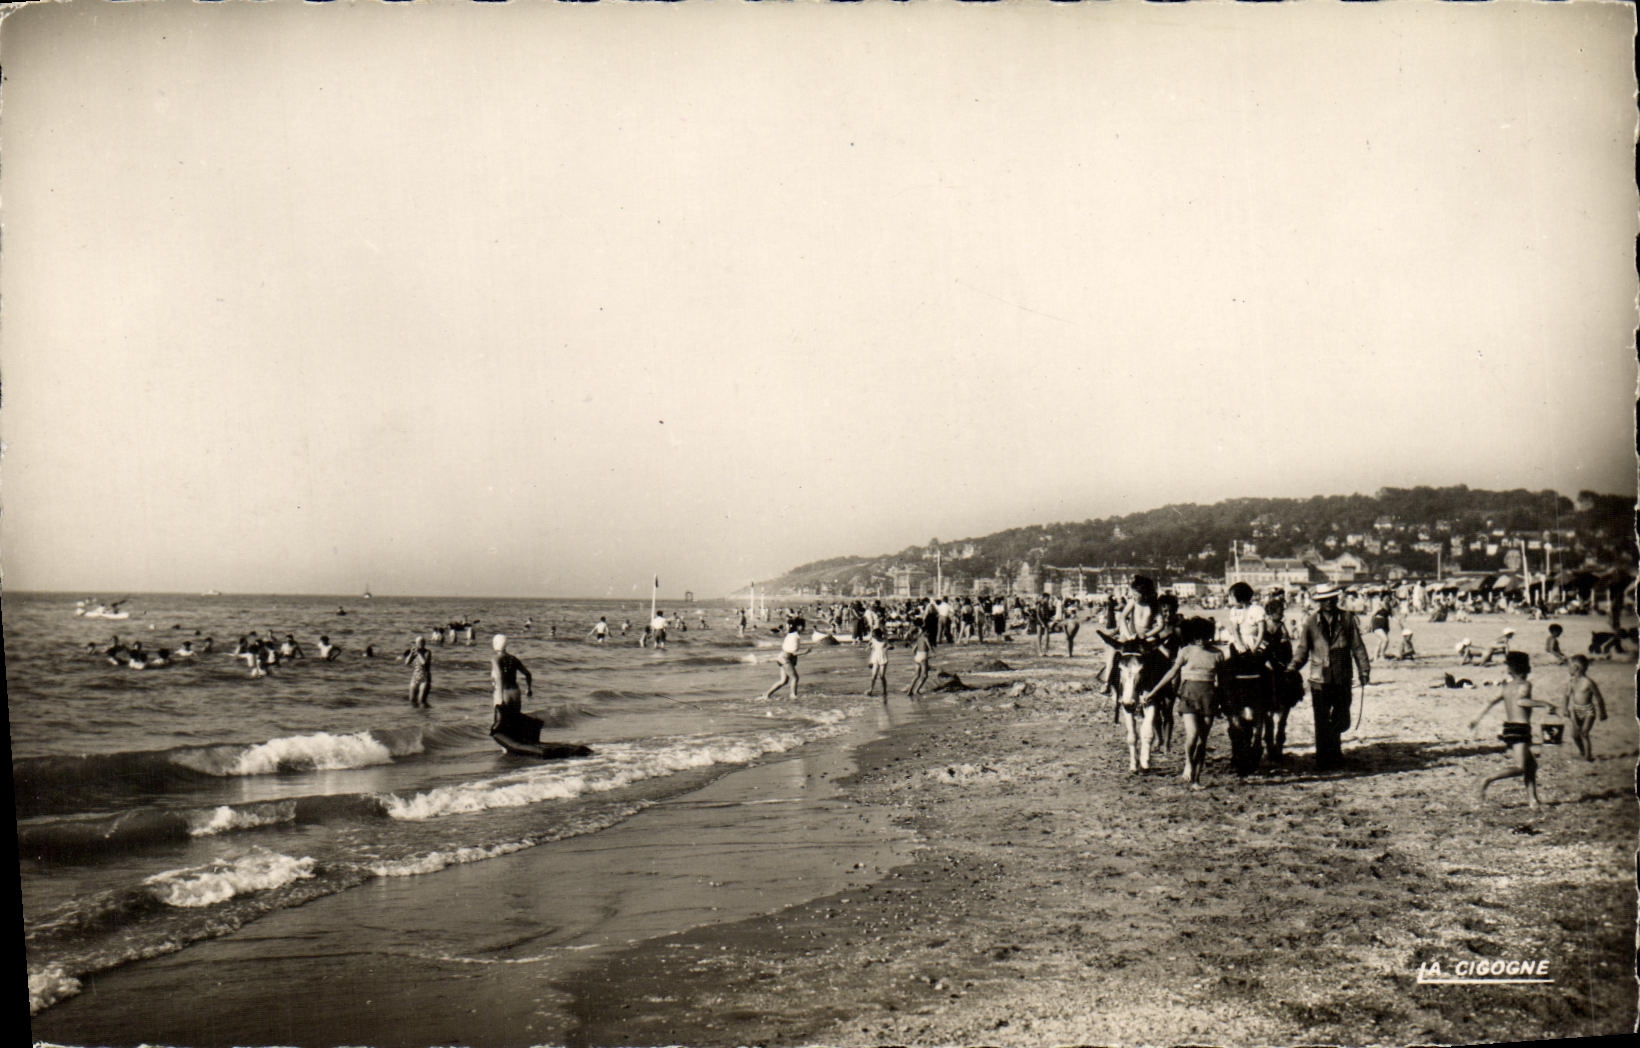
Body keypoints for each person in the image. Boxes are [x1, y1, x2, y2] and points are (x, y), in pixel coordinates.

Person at [1287, 582, 1370, 771]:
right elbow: (1303, 649)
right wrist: (1293, 666)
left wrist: (1364, 670)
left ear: (1336, 599)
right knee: (1322, 720)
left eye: (1331, 599)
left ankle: (1333, 748)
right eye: (1324, 600)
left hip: (1342, 676)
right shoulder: (1310, 622)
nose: (1329, 603)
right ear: (1319, 602)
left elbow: (1357, 646)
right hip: (1319, 679)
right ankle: (1325, 758)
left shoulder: (1347, 619)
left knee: (1342, 718)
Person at [1144, 616, 1223, 789]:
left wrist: (1224, 703)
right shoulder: (1186, 651)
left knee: (1203, 740)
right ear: (1192, 636)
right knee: (1193, 734)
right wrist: (1153, 691)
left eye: (1204, 637)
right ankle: (1188, 761)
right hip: (1188, 696)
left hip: (1209, 698)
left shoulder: (1218, 654)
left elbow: (1223, 682)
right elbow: (1171, 673)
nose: (1201, 640)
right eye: (1197, 637)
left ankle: (1196, 779)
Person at [1470, 651, 1554, 806]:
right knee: (1520, 767)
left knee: (1531, 765)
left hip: (1509, 728)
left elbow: (1490, 702)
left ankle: (1532, 799)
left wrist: (1476, 719)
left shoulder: (1506, 687)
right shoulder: (1525, 685)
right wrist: (1544, 704)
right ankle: (1488, 779)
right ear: (1526, 668)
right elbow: (1522, 702)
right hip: (1520, 728)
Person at [1560, 655, 1608, 762]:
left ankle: (1588, 756)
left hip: (1588, 711)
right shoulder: (1571, 682)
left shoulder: (1588, 682)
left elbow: (1598, 697)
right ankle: (1582, 751)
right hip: (1575, 710)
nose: (1568, 669)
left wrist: (1602, 712)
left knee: (1584, 733)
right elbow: (1566, 696)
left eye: (1569, 667)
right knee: (1574, 735)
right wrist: (1565, 708)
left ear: (1576, 668)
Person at [489, 634, 533, 730]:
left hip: (504, 693)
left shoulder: (495, 659)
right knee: (514, 723)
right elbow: (528, 674)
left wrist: (500, 697)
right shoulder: (513, 659)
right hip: (516, 693)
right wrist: (529, 689)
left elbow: (499, 676)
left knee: (499, 725)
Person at [763, 620, 810, 701]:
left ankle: (766, 694)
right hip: (785, 659)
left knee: (783, 681)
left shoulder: (792, 634)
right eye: (803, 626)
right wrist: (805, 652)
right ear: (798, 627)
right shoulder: (795, 636)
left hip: (781, 658)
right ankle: (793, 695)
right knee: (795, 678)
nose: (804, 628)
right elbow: (793, 653)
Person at [403, 635, 433, 707]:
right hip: (415, 677)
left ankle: (427, 712)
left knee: (421, 701)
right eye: (416, 643)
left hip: (425, 678)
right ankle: (415, 716)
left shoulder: (427, 652)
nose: (417, 645)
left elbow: (424, 663)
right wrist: (411, 654)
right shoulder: (414, 652)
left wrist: (419, 653)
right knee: (412, 700)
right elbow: (406, 663)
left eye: (419, 643)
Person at [905, 625, 933, 696]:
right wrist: (933, 653)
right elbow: (929, 647)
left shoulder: (919, 638)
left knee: (916, 675)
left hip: (917, 656)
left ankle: (910, 690)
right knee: (924, 676)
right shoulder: (925, 638)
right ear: (926, 632)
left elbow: (913, 649)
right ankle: (917, 690)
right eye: (928, 632)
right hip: (923, 656)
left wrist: (916, 655)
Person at [865, 626, 890, 700]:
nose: (874, 636)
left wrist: (888, 647)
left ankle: (884, 690)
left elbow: (891, 646)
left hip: (883, 658)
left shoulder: (884, 640)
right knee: (874, 676)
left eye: (874, 635)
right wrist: (870, 661)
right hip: (875, 659)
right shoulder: (873, 640)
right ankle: (871, 689)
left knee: (882, 676)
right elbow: (869, 649)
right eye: (873, 635)